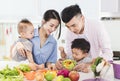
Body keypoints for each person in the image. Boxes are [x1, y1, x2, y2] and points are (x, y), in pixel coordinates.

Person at [56, 4, 113, 69]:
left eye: (74, 25)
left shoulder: (97, 26)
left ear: (82, 18)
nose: (71, 30)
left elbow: (108, 54)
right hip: (77, 71)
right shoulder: (69, 32)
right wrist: (62, 61)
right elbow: (70, 55)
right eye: (68, 27)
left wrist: (89, 65)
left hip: (96, 69)